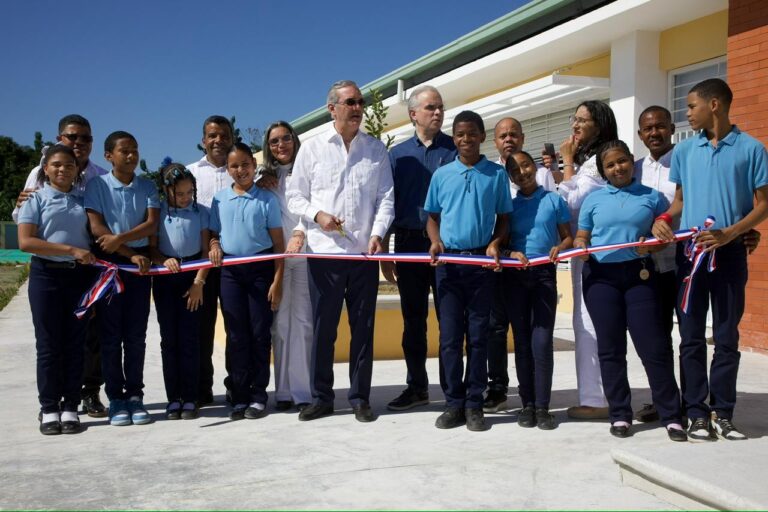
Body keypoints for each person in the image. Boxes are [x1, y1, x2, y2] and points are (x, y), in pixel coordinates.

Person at [652, 78, 768, 441]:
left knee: (726, 336)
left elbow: (764, 204)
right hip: (690, 255)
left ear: (714, 104)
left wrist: (731, 233)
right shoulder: (685, 152)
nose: (687, 113)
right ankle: (696, 413)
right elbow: (679, 202)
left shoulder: (752, 149)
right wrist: (663, 219)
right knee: (690, 336)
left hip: (729, 254)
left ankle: (723, 412)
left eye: (691, 106)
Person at [286, 80, 395, 423]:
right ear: (332, 108)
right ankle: (321, 398)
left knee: (363, 328)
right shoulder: (312, 149)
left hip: (363, 255)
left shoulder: (375, 150)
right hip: (325, 255)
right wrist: (317, 215)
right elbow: (295, 196)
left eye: (360, 101)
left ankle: (360, 398)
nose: (358, 107)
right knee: (324, 329)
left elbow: (386, 199)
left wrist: (378, 234)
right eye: (350, 102)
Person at [575, 140, 686, 442]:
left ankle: (671, 415)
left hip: (640, 275)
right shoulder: (593, 200)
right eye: (610, 165)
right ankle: (620, 414)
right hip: (600, 278)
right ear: (603, 171)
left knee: (654, 347)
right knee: (611, 349)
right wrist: (581, 245)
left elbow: (663, 236)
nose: (618, 168)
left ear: (630, 161)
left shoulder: (653, 197)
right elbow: (582, 235)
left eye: (622, 161)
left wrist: (653, 244)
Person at [13, 114, 108, 419]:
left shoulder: (87, 194)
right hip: (47, 274)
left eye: (69, 165)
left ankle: (74, 404)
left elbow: (98, 229)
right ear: (46, 168)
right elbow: (25, 239)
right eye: (56, 165)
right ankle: (49, 407)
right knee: (49, 344)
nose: (63, 169)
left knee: (79, 342)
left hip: (81, 276)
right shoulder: (35, 195)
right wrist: (70, 250)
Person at [424, 110, 513, 431]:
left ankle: (475, 404)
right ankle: (454, 403)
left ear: (482, 136)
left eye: (472, 133)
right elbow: (432, 217)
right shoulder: (441, 175)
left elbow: (504, 218)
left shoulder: (496, 175)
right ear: (454, 138)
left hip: (480, 265)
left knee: (478, 337)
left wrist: (495, 243)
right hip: (448, 267)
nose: (466, 139)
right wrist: (435, 242)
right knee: (449, 338)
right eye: (460, 134)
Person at [383, 85, 456, 411]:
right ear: (413, 114)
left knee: (450, 320)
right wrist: (386, 252)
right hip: (409, 245)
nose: (438, 112)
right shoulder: (397, 156)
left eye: (440, 107)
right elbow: (388, 203)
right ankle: (416, 387)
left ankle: (453, 390)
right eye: (430, 107)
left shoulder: (455, 150)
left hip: (447, 246)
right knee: (413, 320)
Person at [84, 131, 160, 427]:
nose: (131, 156)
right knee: (110, 336)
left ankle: (135, 395)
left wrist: (122, 241)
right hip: (110, 266)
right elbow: (97, 229)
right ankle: (115, 397)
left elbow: (151, 224)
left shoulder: (148, 185)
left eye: (135, 150)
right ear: (108, 156)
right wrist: (127, 251)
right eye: (124, 151)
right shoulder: (97, 185)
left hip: (139, 267)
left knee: (136, 336)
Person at [484, 117, 557, 413]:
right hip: (500, 261)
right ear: (495, 142)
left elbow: (552, 216)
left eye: (514, 134)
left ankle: (536, 398)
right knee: (496, 328)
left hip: (536, 269)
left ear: (523, 138)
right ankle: (498, 388)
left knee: (533, 335)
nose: (508, 139)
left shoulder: (544, 176)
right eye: (503, 136)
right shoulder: (491, 174)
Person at [208, 142, 284, 421]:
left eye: (245, 164)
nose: (240, 170)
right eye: (234, 166)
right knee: (236, 335)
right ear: (227, 169)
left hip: (261, 270)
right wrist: (214, 244)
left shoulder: (267, 199)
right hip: (230, 273)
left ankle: (258, 395)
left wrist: (277, 281)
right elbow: (213, 234)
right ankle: (239, 395)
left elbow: (278, 245)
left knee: (259, 334)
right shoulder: (219, 200)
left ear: (253, 164)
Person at [503, 151, 572, 430]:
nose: (522, 173)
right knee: (522, 343)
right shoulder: (508, 207)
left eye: (525, 165)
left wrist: (560, 247)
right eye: (515, 170)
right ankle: (527, 405)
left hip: (544, 276)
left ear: (535, 167)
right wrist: (510, 253)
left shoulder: (554, 200)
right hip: (515, 278)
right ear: (510, 177)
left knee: (541, 343)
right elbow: (501, 244)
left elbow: (568, 237)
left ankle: (543, 406)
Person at [557, 100, 617, 420]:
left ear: (600, 125)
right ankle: (601, 394)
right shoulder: (590, 161)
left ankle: (596, 399)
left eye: (583, 120)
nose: (575, 125)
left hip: (593, 252)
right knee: (590, 323)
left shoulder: (596, 163)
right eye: (574, 118)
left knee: (588, 324)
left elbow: (572, 202)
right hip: (587, 251)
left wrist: (566, 162)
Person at [149, 163, 210, 420]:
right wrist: (163, 260)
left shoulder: (201, 212)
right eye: (179, 194)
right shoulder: (157, 212)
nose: (185, 198)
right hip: (165, 279)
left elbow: (206, 251)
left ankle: (191, 397)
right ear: (166, 191)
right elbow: (151, 248)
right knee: (169, 341)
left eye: (189, 193)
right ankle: (174, 398)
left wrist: (198, 282)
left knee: (190, 340)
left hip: (192, 278)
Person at [259, 121, 312, 412]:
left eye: (286, 138)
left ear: (294, 139)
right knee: (280, 324)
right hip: (278, 258)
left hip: (306, 255)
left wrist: (300, 235)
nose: (281, 145)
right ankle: (283, 391)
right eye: (274, 141)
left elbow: (312, 207)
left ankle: (303, 392)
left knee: (303, 322)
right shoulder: (264, 178)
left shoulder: (310, 169)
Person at [186, 116, 235, 406]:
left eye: (224, 135)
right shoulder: (190, 172)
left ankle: (235, 385)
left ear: (232, 138)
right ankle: (202, 387)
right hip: (200, 262)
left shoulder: (242, 170)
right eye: (212, 135)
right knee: (201, 328)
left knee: (235, 327)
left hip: (235, 261)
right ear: (204, 140)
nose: (218, 140)